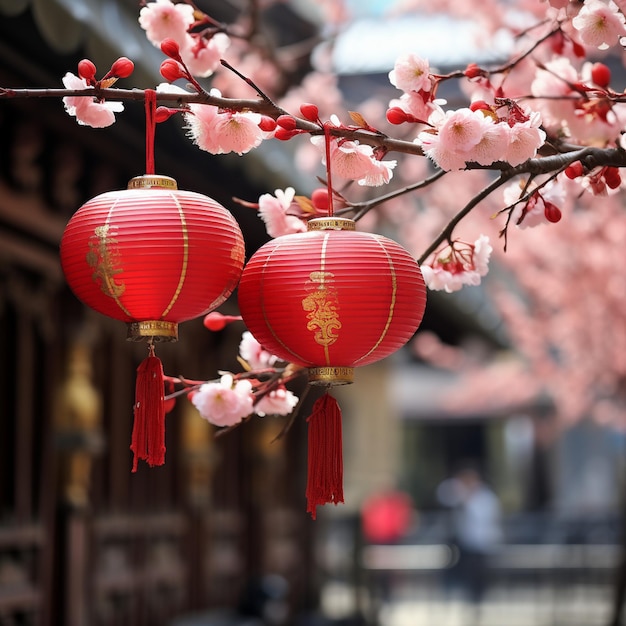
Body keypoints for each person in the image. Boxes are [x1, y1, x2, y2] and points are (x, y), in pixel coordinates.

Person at [437, 465, 502, 606]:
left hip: (483, 543)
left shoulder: (486, 497)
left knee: (481, 574)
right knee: (467, 573)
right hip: (468, 543)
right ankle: (470, 598)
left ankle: (480, 599)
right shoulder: (463, 495)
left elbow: (485, 518)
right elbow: (444, 493)